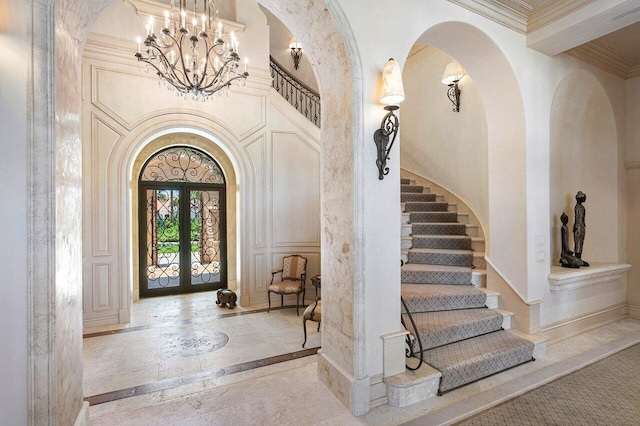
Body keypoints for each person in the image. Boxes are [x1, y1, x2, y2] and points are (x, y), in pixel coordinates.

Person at [572, 191, 589, 267]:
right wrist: (576, 226)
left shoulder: (581, 207)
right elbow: (577, 219)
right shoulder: (578, 207)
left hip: (581, 226)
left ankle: (579, 259)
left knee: (580, 242)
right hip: (579, 226)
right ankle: (577, 260)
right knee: (578, 243)